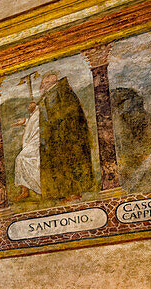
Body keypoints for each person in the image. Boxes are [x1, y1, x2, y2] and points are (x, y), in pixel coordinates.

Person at [11, 72, 95, 202]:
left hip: (62, 138)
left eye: (44, 83)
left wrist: (37, 110)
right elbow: (42, 119)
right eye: (42, 83)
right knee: (27, 159)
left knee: (65, 164)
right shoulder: (51, 95)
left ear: (50, 83)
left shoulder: (58, 94)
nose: (41, 85)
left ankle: (72, 194)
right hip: (52, 137)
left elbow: (54, 117)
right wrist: (29, 117)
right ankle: (30, 190)